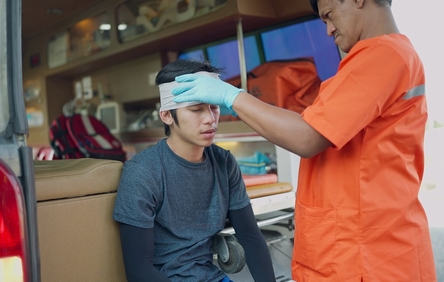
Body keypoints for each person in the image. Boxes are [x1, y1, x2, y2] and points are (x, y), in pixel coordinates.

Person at [171, 0, 437, 281]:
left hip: (366, 254)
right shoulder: (375, 59)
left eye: (329, 16)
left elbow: (308, 136)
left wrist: (230, 96)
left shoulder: (382, 55)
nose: (328, 30)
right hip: (356, 244)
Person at [113, 59, 276, 282]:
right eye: (196, 109)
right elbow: (138, 269)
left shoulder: (224, 162)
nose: (210, 119)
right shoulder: (143, 173)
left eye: (214, 107)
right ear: (167, 115)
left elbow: (250, 236)